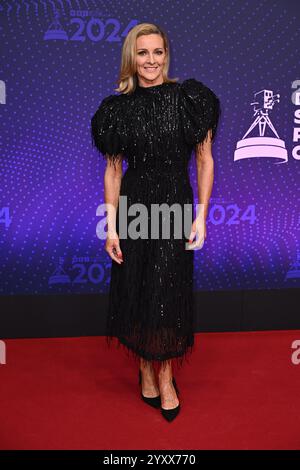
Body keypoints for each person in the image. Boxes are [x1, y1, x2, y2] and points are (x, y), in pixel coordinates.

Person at [91, 23, 220, 422]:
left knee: (167, 290)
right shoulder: (117, 109)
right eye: (143, 53)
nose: (151, 61)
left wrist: (201, 214)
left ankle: (165, 378)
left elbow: (204, 159)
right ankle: (145, 367)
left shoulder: (189, 100)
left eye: (158, 52)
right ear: (132, 57)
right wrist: (111, 226)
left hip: (174, 205)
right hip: (134, 207)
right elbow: (113, 172)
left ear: (167, 55)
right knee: (138, 285)